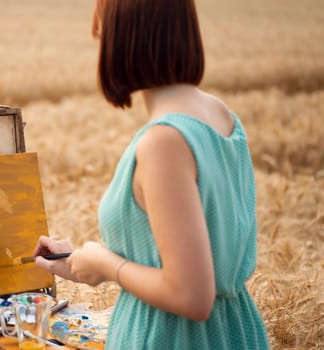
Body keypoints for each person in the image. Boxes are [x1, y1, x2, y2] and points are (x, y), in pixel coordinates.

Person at [33, 0, 270, 349]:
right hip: (231, 332)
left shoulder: (164, 142)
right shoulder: (219, 113)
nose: (95, 33)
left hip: (174, 339)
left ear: (127, 35)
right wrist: (87, 262)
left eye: (102, 23)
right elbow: (183, 258)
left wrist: (106, 263)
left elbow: (192, 296)